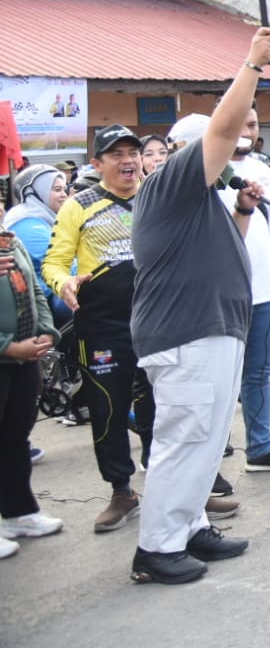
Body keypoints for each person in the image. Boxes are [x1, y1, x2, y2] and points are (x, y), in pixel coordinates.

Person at [127, 29, 270, 584]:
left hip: (211, 331)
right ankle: (157, 548)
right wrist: (251, 66)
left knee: (207, 439)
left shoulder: (202, 200)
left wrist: (241, 210)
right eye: (223, 151)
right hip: (186, 334)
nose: (233, 156)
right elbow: (222, 127)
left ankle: (188, 527)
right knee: (184, 438)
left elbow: (224, 255)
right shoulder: (169, 182)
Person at [167, 113, 270, 474]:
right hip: (218, 298)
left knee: (258, 375)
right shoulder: (193, 179)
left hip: (264, 292)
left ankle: (260, 446)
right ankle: (213, 452)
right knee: (218, 378)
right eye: (238, 124)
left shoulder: (261, 171)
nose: (247, 131)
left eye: (255, 124)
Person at [42, 124, 153, 534]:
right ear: (98, 163)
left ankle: (178, 485)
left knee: (163, 406)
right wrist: (63, 282)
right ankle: (122, 490)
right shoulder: (79, 204)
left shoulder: (156, 195)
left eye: (133, 152)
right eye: (116, 154)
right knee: (107, 407)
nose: (128, 161)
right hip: (102, 326)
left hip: (157, 319)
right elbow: (53, 261)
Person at [0, 226, 65, 558]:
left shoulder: (11, 240)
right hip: (6, 353)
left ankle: (18, 512)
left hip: (24, 357)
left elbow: (35, 291)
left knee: (16, 435)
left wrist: (46, 331)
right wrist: (6, 347)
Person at [3, 165, 70, 325]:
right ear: (37, 193)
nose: (64, 195)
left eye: (64, 189)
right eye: (56, 189)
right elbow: (63, 262)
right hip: (39, 303)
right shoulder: (28, 224)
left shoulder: (46, 219)